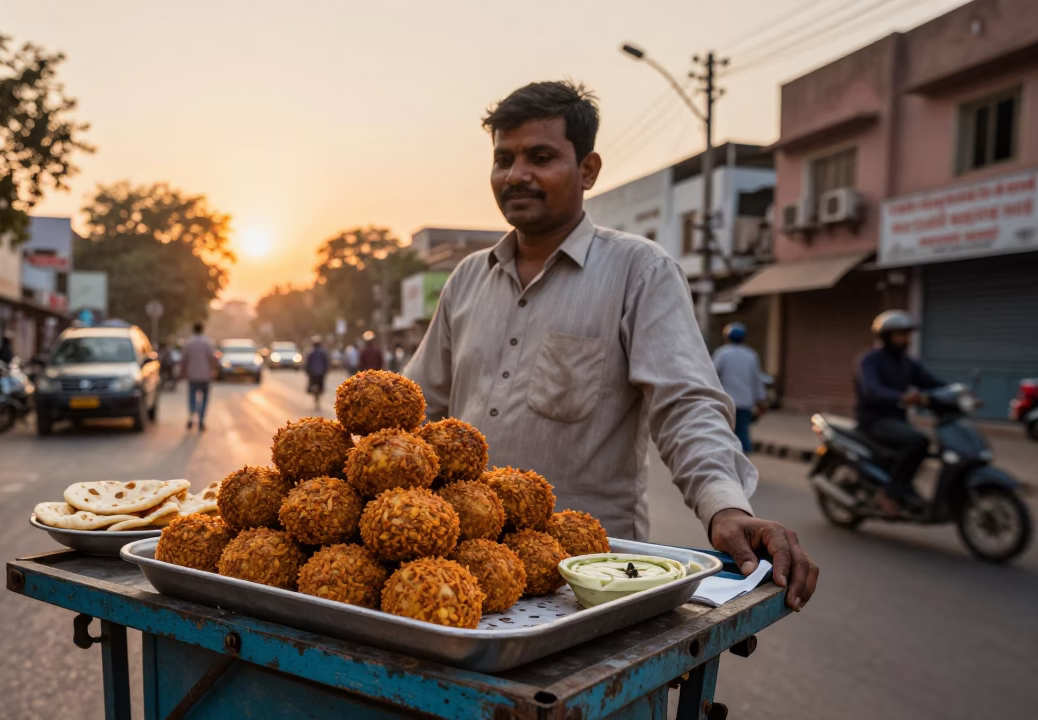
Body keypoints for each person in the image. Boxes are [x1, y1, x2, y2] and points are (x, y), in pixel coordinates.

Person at [403, 80, 817, 610]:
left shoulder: (640, 271)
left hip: (591, 581)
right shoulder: (465, 279)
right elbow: (415, 406)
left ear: (588, 170)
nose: (516, 175)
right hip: (461, 570)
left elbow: (685, 402)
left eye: (540, 156)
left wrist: (725, 507)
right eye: (503, 159)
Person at [855, 311, 942, 512]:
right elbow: (872, 390)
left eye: (907, 334)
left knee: (919, 444)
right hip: (874, 420)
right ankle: (890, 493)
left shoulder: (907, 362)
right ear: (885, 336)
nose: (906, 340)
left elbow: (930, 382)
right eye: (900, 334)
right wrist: (901, 397)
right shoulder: (870, 360)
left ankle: (902, 486)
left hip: (896, 419)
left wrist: (956, 391)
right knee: (918, 441)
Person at [712, 322, 767, 454]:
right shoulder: (751, 355)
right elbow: (756, 380)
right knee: (742, 434)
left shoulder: (722, 354)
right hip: (744, 402)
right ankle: (743, 466)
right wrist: (760, 401)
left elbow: (712, 376)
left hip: (725, 402)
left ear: (727, 337)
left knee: (723, 434)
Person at [181, 322, 218, 431]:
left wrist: (183, 371)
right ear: (202, 329)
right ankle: (201, 420)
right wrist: (214, 370)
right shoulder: (207, 342)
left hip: (192, 375)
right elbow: (212, 358)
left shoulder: (189, 342)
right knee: (204, 399)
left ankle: (192, 416)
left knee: (192, 397)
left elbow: (184, 359)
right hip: (205, 376)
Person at [304, 336, 331, 410]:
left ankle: (316, 396)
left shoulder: (310, 353)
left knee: (313, 386)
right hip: (321, 373)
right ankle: (318, 395)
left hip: (313, 373)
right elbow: (326, 363)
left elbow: (307, 363)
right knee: (320, 386)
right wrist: (326, 370)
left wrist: (307, 371)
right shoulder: (323, 353)